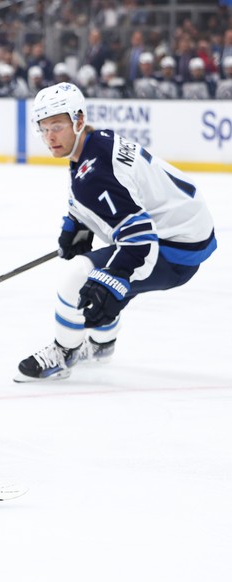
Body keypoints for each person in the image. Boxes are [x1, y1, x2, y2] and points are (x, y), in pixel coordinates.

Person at [15, 82, 216, 382]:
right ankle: (102, 344)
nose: (50, 136)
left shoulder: (95, 173)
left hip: (176, 248)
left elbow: (139, 238)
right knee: (101, 279)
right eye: (44, 129)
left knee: (80, 278)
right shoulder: (96, 141)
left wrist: (116, 277)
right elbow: (110, 194)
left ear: (79, 120)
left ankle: (64, 353)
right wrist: (77, 224)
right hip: (185, 231)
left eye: (57, 125)